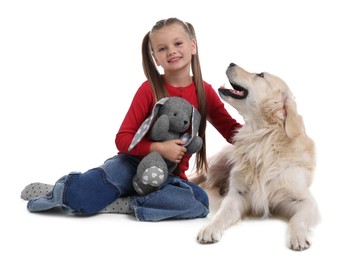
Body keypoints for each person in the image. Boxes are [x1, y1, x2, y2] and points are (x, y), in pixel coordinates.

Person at [20, 17, 242, 221]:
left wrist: (266, 127)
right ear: (155, 57)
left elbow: (232, 131)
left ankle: (126, 202)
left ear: (192, 46)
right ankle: (60, 190)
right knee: (81, 199)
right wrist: (158, 147)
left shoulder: (205, 91)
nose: (171, 51)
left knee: (199, 203)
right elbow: (123, 139)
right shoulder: (149, 89)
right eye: (162, 48)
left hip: (167, 176)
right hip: (130, 164)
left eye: (178, 43)